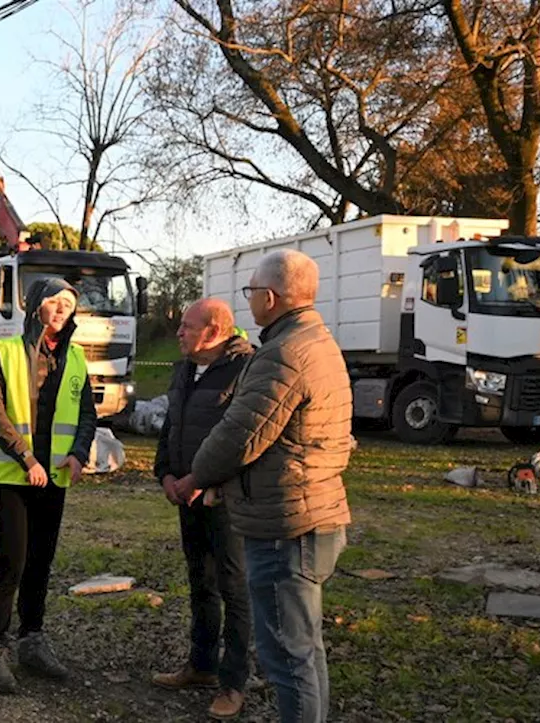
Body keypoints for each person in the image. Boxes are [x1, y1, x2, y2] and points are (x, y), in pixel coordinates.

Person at [175, 249, 353, 723]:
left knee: (287, 657)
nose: (249, 300)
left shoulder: (284, 353)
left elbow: (241, 434)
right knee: (305, 647)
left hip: (285, 523)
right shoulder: (320, 343)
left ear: (270, 297)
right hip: (314, 511)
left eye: (251, 291)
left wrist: (197, 477)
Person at [0, 278, 97, 694]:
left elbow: (87, 414)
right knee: (10, 563)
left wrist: (80, 453)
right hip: (11, 478)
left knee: (41, 562)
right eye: (54, 301)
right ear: (34, 307)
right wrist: (26, 458)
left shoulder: (77, 358)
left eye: (69, 303)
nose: (62, 308)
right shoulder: (6, 352)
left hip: (55, 478)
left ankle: (32, 639)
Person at [151, 299, 254, 720]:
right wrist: (166, 477)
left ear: (214, 331)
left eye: (188, 327)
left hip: (224, 501)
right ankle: (202, 666)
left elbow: (244, 439)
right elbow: (170, 428)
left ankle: (233, 683)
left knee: (234, 587)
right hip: (185, 495)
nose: (178, 333)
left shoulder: (245, 372)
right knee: (200, 580)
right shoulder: (184, 370)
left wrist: (204, 483)